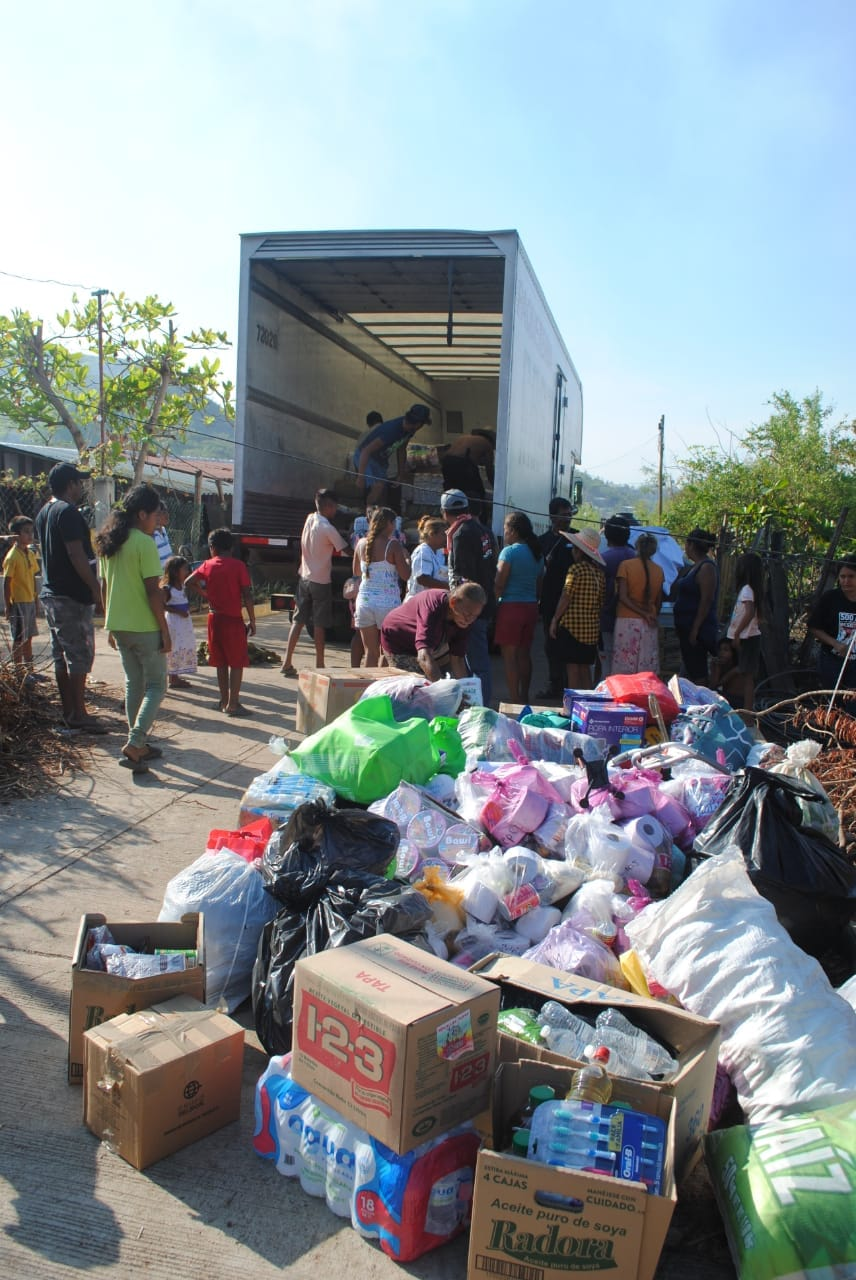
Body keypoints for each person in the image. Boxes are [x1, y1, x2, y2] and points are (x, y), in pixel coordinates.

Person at [95, 485, 172, 773]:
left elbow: (105, 588)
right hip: (143, 626)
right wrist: (164, 630)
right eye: (155, 515)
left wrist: (109, 625)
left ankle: (137, 745)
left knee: (134, 684)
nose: (157, 520)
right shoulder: (143, 542)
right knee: (156, 685)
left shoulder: (109, 541)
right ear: (142, 514)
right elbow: (153, 592)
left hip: (120, 624)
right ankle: (136, 741)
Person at [34, 462, 106, 734]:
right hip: (71, 595)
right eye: (79, 482)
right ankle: (79, 713)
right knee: (79, 654)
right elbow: (76, 554)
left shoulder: (44, 512)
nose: (82, 488)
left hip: (52, 593)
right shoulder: (68, 512)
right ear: (71, 484)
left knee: (61, 655)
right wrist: (94, 587)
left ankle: (69, 711)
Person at [185, 529, 256, 715]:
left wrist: (205, 594)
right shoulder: (239, 566)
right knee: (237, 662)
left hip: (214, 618)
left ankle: (224, 700)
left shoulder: (208, 565)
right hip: (233, 620)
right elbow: (247, 595)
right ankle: (233, 704)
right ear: (231, 548)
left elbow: (188, 582)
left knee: (221, 662)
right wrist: (252, 621)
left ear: (212, 548)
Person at [280, 489, 348, 676]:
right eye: (335, 507)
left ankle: (286, 662)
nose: (336, 511)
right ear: (329, 506)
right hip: (321, 581)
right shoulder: (328, 528)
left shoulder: (310, 519)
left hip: (305, 577)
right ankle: (319, 664)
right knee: (320, 623)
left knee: (298, 620)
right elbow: (345, 549)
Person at [441, 488, 497, 705]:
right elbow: (492, 568)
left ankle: (479, 708)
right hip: (483, 603)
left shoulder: (461, 533)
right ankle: (481, 705)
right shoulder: (484, 530)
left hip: (469, 608)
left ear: (445, 512)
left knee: (472, 662)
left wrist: (459, 608)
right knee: (478, 662)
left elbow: (463, 576)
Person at [380, 583, 487, 680]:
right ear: (453, 602)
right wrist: (444, 689)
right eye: (467, 614)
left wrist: (467, 691)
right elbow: (424, 657)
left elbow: (457, 658)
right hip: (397, 640)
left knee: (441, 680)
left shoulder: (465, 617)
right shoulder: (433, 606)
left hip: (429, 647)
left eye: (475, 616)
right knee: (417, 685)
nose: (469, 620)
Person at [494, 511, 543, 703]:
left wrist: (495, 602)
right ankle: (524, 695)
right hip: (530, 607)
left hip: (511, 607)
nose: (504, 533)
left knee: (509, 657)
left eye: (506, 529)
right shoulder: (537, 553)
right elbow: (540, 584)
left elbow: (499, 582)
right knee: (524, 654)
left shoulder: (509, 552)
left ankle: (514, 700)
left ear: (513, 531)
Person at [352, 506, 410, 667]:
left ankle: (368, 690)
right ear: (390, 524)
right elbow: (406, 575)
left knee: (370, 652)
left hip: (364, 602)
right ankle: (381, 687)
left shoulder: (361, 543)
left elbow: (356, 571)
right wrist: (407, 560)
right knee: (387, 651)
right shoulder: (394, 545)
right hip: (388, 605)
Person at [549, 527, 605, 691]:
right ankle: (587, 701)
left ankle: (572, 704)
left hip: (572, 627)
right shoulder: (599, 573)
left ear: (580, 551)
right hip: (591, 630)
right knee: (585, 668)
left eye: (574, 548)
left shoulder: (575, 570)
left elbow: (566, 596)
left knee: (572, 668)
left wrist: (555, 619)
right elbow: (601, 602)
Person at [353, 404, 432, 506]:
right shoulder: (391, 431)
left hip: (380, 461)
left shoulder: (409, 431)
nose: (421, 427)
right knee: (378, 486)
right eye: (422, 424)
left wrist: (401, 474)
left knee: (382, 491)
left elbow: (402, 449)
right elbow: (365, 451)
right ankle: (367, 515)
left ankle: (378, 515)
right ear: (418, 423)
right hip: (365, 457)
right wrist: (361, 477)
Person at [535, 497, 575, 699]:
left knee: (570, 646)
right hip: (550, 601)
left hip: (573, 603)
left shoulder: (578, 539)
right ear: (551, 516)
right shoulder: (542, 541)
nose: (566, 519)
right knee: (551, 646)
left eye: (569, 514)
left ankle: (571, 688)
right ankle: (555, 686)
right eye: (562, 515)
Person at [671, 527, 719, 685]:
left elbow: (706, 600)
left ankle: (702, 705)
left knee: (698, 672)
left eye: (686, 544)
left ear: (691, 545)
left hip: (698, 630)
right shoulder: (695, 566)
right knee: (689, 670)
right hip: (687, 627)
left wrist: (695, 629)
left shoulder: (707, 568)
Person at [612, 533, 664, 675]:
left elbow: (623, 597)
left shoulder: (625, 566)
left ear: (637, 547)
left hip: (626, 620)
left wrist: (642, 613)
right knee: (645, 667)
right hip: (649, 622)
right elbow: (659, 601)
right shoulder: (659, 570)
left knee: (624, 665)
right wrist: (649, 614)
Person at [808, 554, 856, 690]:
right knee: (832, 701)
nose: (846, 581)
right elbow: (814, 626)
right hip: (832, 659)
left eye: (851, 576)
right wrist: (835, 643)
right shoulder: (830, 598)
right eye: (842, 577)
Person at [726, 551, 764, 711]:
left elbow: (749, 613)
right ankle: (744, 711)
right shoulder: (753, 589)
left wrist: (737, 633)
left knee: (747, 677)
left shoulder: (747, 590)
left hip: (746, 638)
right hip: (748, 637)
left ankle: (747, 714)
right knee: (745, 674)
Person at [3, 515, 40, 679]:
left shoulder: (30, 554)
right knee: (18, 638)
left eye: (31, 531)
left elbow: (33, 578)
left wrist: (36, 599)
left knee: (29, 637)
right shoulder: (12, 556)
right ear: (16, 535)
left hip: (30, 601)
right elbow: (6, 582)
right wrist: (7, 605)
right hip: (18, 603)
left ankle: (29, 670)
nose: (30, 536)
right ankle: (18, 672)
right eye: (26, 532)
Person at [599, 516, 636, 677]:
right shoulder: (637, 558)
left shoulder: (603, 559)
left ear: (607, 535)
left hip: (607, 618)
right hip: (633, 619)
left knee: (607, 662)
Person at [440, 428, 495, 521]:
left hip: (446, 462)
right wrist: (496, 489)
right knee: (477, 494)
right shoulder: (487, 444)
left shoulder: (464, 438)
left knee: (452, 493)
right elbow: (489, 470)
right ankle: (480, 521)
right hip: (463, 463)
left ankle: (449, 520)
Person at [162, 555, 197, 690]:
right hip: (174, 623)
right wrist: (177, 611)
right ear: (176, 572)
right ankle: (173, 677)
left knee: (182, 646)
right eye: (184, 570)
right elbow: (162, 605)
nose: (187, 572)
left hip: (183, 624)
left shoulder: (181, 586)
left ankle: (175, 676)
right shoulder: (168, 589)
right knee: (175, 647)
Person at [405, 516, 448, 598]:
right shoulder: (423, 551)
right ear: (432, 534)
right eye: (443, 535)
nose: (446, 538)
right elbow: (422, 579)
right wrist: (448, 587)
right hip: (419, 600)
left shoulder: (439, 552)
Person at [709, 637, 744, 706]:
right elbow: (712, 686)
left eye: (726, 650)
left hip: (738, 700)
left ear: (733, 653)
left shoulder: (737, 669)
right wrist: (713, 668)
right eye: (720, 650)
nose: (721, 653)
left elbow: (719, 683)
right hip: (727, 697)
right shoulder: (723, 665)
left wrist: (717, 668)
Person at [153, 501, 173, 570]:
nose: (167, 515)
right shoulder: (151, 535)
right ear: (156, 515)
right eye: (164, 512)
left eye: (167, 512)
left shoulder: (163, 529)